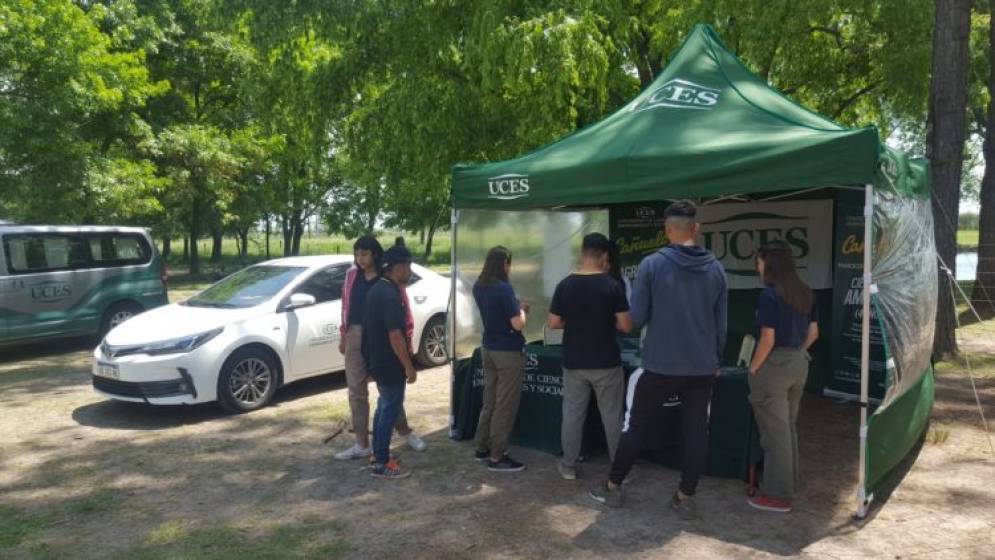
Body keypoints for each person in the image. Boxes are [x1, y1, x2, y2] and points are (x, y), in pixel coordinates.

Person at [589, 200, 727, 520]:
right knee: (696, 432)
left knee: (634, 425)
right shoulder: (716, 269)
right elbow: (721, 325)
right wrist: (715, 359)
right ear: (696, 229)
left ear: (667, 231)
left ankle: (612, 486)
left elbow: (636, 316)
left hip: (658, 364)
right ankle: (685, 496)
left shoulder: (652, 265)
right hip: (702, 367)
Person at [548, 233, 633, 480]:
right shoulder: (612, 286)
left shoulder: (565, 285)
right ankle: (619, 470)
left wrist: (574, 321)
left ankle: (568, 465)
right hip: (606, 361)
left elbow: (553, 322)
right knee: (612, 416)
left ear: (581, 253)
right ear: (605, 257)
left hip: (574, 360)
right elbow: (626, 326)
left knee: (573, 414)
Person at [335, 236, 426, 461]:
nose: (360, 259)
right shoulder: (351, 275)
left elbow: (402, 314)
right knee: (356, 390)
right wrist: (344, 334)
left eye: (364, 254)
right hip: (356, 333)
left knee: (389, 388)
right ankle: (361, 444)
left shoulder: (387, 280)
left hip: (380, 336)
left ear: (375, 255)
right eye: (357, 254)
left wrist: (408, 344)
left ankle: (404, 431)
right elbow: (345, 305)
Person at [746, 241, 819, 513]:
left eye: (760, 261)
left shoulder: (769, 295)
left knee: (775, 434)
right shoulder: (806, 292)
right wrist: (796, 354)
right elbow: (814, 334)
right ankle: (789, 483)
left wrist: (754, 366)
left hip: (774, 366)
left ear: (771, 264)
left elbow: (768, 339)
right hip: (800, 363)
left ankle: (778, 495)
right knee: (787, 427)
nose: (758, 266)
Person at [363, 245, 420, 478]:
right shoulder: (388, 294)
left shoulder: (378, 289)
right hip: (389, 362)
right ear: (399, 267)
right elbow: (395, 335)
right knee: (389, 409)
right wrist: (409, 366)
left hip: (378, 360)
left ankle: (378, 453)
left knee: (383, 407)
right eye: (409, 266)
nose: (410, 271)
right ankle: (382, 463)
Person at [472, 246, 529, 472]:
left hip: (489, 348)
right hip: (508, 351)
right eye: (509, 263)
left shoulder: (479, 285)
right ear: (504, 263)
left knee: (490, 401)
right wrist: (522, 310)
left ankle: (481, 447)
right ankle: (497, 456)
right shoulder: (503, 288)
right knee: (505, 405)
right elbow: (518, 323)